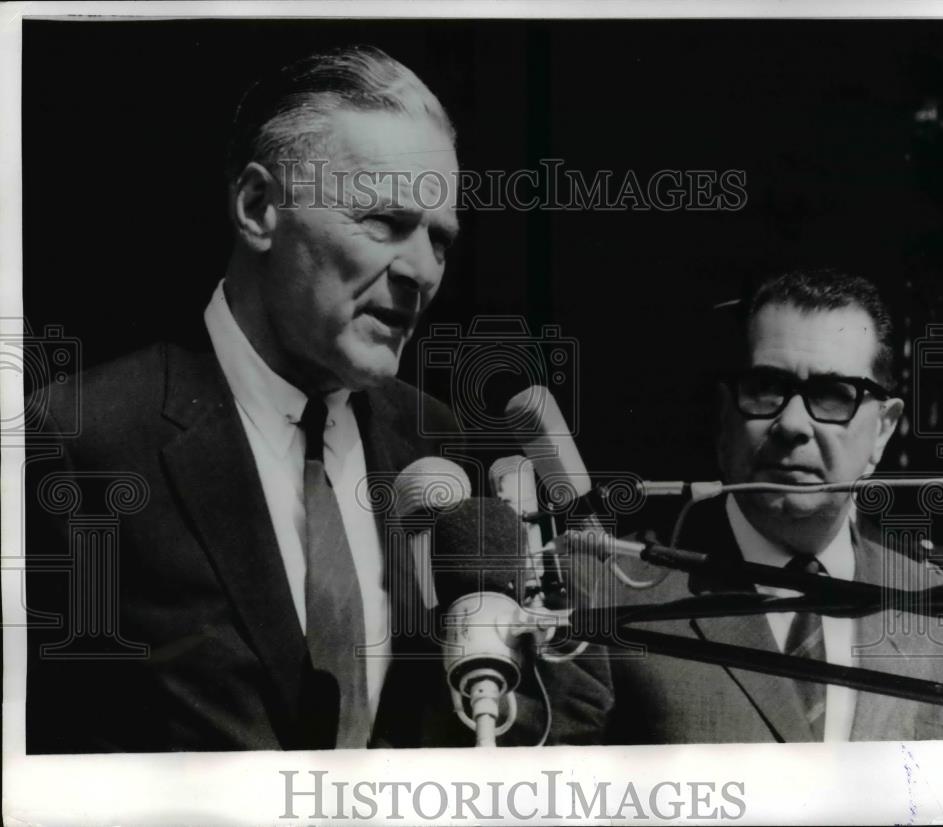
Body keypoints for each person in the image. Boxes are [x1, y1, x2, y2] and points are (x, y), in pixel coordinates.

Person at [24, 46, 610, 753]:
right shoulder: (80, 439)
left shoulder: (435, 439)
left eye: (440, 240)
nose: (422, 270)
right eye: (385, 222)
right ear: (258, 208)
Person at [598, 268, 943, 743]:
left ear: (884, 430)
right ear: (725, 416)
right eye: (767, 387)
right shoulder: (609, 594)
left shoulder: (932, 608)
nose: (791, 423)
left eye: (833, 395)